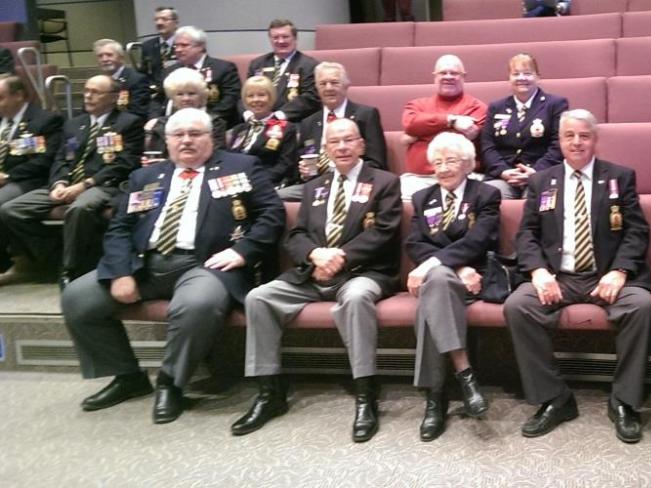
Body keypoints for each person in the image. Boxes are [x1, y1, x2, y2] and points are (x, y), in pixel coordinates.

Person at [60, 108, 285, 425]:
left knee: (197, 304)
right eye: (178, 135)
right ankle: (128, 376)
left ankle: (170, 382)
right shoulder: (146, 176)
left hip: (207, 264)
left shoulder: (241, 166)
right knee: (77, 299)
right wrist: (121, 271)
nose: (187, 141)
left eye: (196, 134)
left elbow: (271, 214)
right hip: (146, 263)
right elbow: (120, 228)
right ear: (166, 141)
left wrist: (243, 251)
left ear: (211, 138)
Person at [231, 118, 401, 441]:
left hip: (362, 272)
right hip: (312, 273)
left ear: (362, 145)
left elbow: (384, 232)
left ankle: (366, 393)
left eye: (349, 140)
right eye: (335, 142)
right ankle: (270, 393)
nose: (342, 147)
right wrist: (314, 255)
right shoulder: (314, 187)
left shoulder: (385, 182)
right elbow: (295, 235)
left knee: (356, 298)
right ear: (326, 150)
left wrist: (339, 257)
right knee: (259, 297)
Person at [503, 109, 651, 443]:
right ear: (558, 141)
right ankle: (555, 398)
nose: (576, 142)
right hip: (560, 276)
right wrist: (539, 271)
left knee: (641, 307)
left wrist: (620, 271)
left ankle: (623, 401)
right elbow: (527, 234)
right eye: (569, 135)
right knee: (518, 306)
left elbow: (636, 231)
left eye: (584, 135)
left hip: (606, 275)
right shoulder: (542, 180)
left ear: (595, 140)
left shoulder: (620, 176)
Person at [0, 75, 143, 287]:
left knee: (80, 208)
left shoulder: (128, 123)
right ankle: (51, 253)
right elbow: (61, 159)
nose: (88, 96)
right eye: (86, 90)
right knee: (11, 210)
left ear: (114, 97)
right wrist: (59, 183)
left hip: (103, 185)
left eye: (96, 92)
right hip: (67, 183)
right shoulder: (75, 124)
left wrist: (84, 185)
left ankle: (70, 268)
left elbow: (124, 164)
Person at [406, 132, 500, 441]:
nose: (443, 168)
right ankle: (465, 375)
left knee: (433, 287)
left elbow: (478, 240)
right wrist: (452, 267)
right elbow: (415, 243)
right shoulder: (422, 198)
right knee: (438, 282)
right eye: (437, 162)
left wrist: (437, 265)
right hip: (448, 278)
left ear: (468, 164)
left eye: (451, 161)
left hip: (475, 281)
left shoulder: (486, 194)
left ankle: (435, 399)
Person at [279, 62, 386, 200]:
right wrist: (304, 172)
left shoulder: (365, 115)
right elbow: (300, 165)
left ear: (346, 85)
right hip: (316, 184)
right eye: (323, 84)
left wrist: (339, 168)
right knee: (277, 197)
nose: (328, 88)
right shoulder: (308, 123)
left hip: (354, 181)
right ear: (316, 88)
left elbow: (377, 163)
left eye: (334, 82)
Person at [0, 75, 64, 272]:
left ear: (19, 95)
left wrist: (7, 177)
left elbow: (45, 160)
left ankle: (6, 262)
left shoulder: (45, 121)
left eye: (0, 97)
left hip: (28, 181)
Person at [481, 53, 568, 199]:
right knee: (489, 195)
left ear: (538, 77)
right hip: (504, 177)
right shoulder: (497, 107)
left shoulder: (555, 104)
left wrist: (535, 171)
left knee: (537, 199)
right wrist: (503, 171)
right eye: (516, 74)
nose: (521, 78)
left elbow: (558, 144)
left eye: (527, 73)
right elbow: (487, 146)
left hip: (542, 174)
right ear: (509, 78)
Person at [401, 54, 486, 199]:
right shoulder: (417, 105)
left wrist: (420, 133)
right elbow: (411, 123)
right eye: (443, 73)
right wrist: (451, 121)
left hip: (463, 180)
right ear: (435, 77)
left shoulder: (477, 107)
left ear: (464, 77)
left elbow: (465, 138)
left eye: (454, 73)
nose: (448, 77)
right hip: (419, 179)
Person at [152, 26, 241, 128]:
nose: (178, 50)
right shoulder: (169, 71)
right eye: (176, 46)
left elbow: (230, 100)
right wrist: (154, 119)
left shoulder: (223, 68)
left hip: (212, 123)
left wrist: (206, 120)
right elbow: (157, 100)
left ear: (201, 46)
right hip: (172, 124)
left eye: (184, 45)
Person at [226, 76, 297, 188]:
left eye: (261, 95)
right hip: (237, 184)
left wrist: (255, 180)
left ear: (271, 97)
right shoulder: (239, 129)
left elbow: (285, 165)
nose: (256, 100)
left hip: (267, 184)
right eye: (250, 96)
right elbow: (229, 160)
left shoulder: (286, 128)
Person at [142, 67, 226, 162]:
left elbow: (218, 157)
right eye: (180, 94)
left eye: (191, 94)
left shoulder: (215, 122)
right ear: (172, 97)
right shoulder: (160, 124)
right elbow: (154, 154)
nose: (186, 98)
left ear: (202, 95)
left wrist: (167, 164)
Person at [244, 19, 319, 123]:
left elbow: (310, 98)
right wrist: (247, 113)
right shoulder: (257, 64)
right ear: (270, 39)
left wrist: (278, 116)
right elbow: (246, 93)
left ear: (295, 38)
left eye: (285, 37)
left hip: (292, 123)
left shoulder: (309, 65)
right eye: (275, 37)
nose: (281, 41)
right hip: (257, 120)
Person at [93, 39, 151, 119]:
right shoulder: (97, 82)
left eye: (109, 55)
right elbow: (87, 109)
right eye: (100, 56)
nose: (104, 59)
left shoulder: (136, 79)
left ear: (121, 58)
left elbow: (138, 112)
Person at [139, 6, 179, 87]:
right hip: (155, 93)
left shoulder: (184, 43)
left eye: (164, 19)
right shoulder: (148, 46)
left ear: (176, 23)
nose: (159, 23)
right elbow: (143, 74)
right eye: (156, 19)